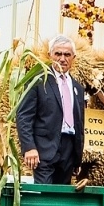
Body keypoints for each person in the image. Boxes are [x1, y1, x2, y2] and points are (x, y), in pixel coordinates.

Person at [15, 35, 87, 185]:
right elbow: (23, 116)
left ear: (73, 57)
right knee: (45, 195)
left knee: (62, 198)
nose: (62, 59)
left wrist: (77, 158)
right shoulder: (37, 80)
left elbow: (80, 124)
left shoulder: (77, 88)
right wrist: (29, 147)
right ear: (50, 55)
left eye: (67, 55)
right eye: (58, 54)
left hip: (69, 149)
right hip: (44, 149)